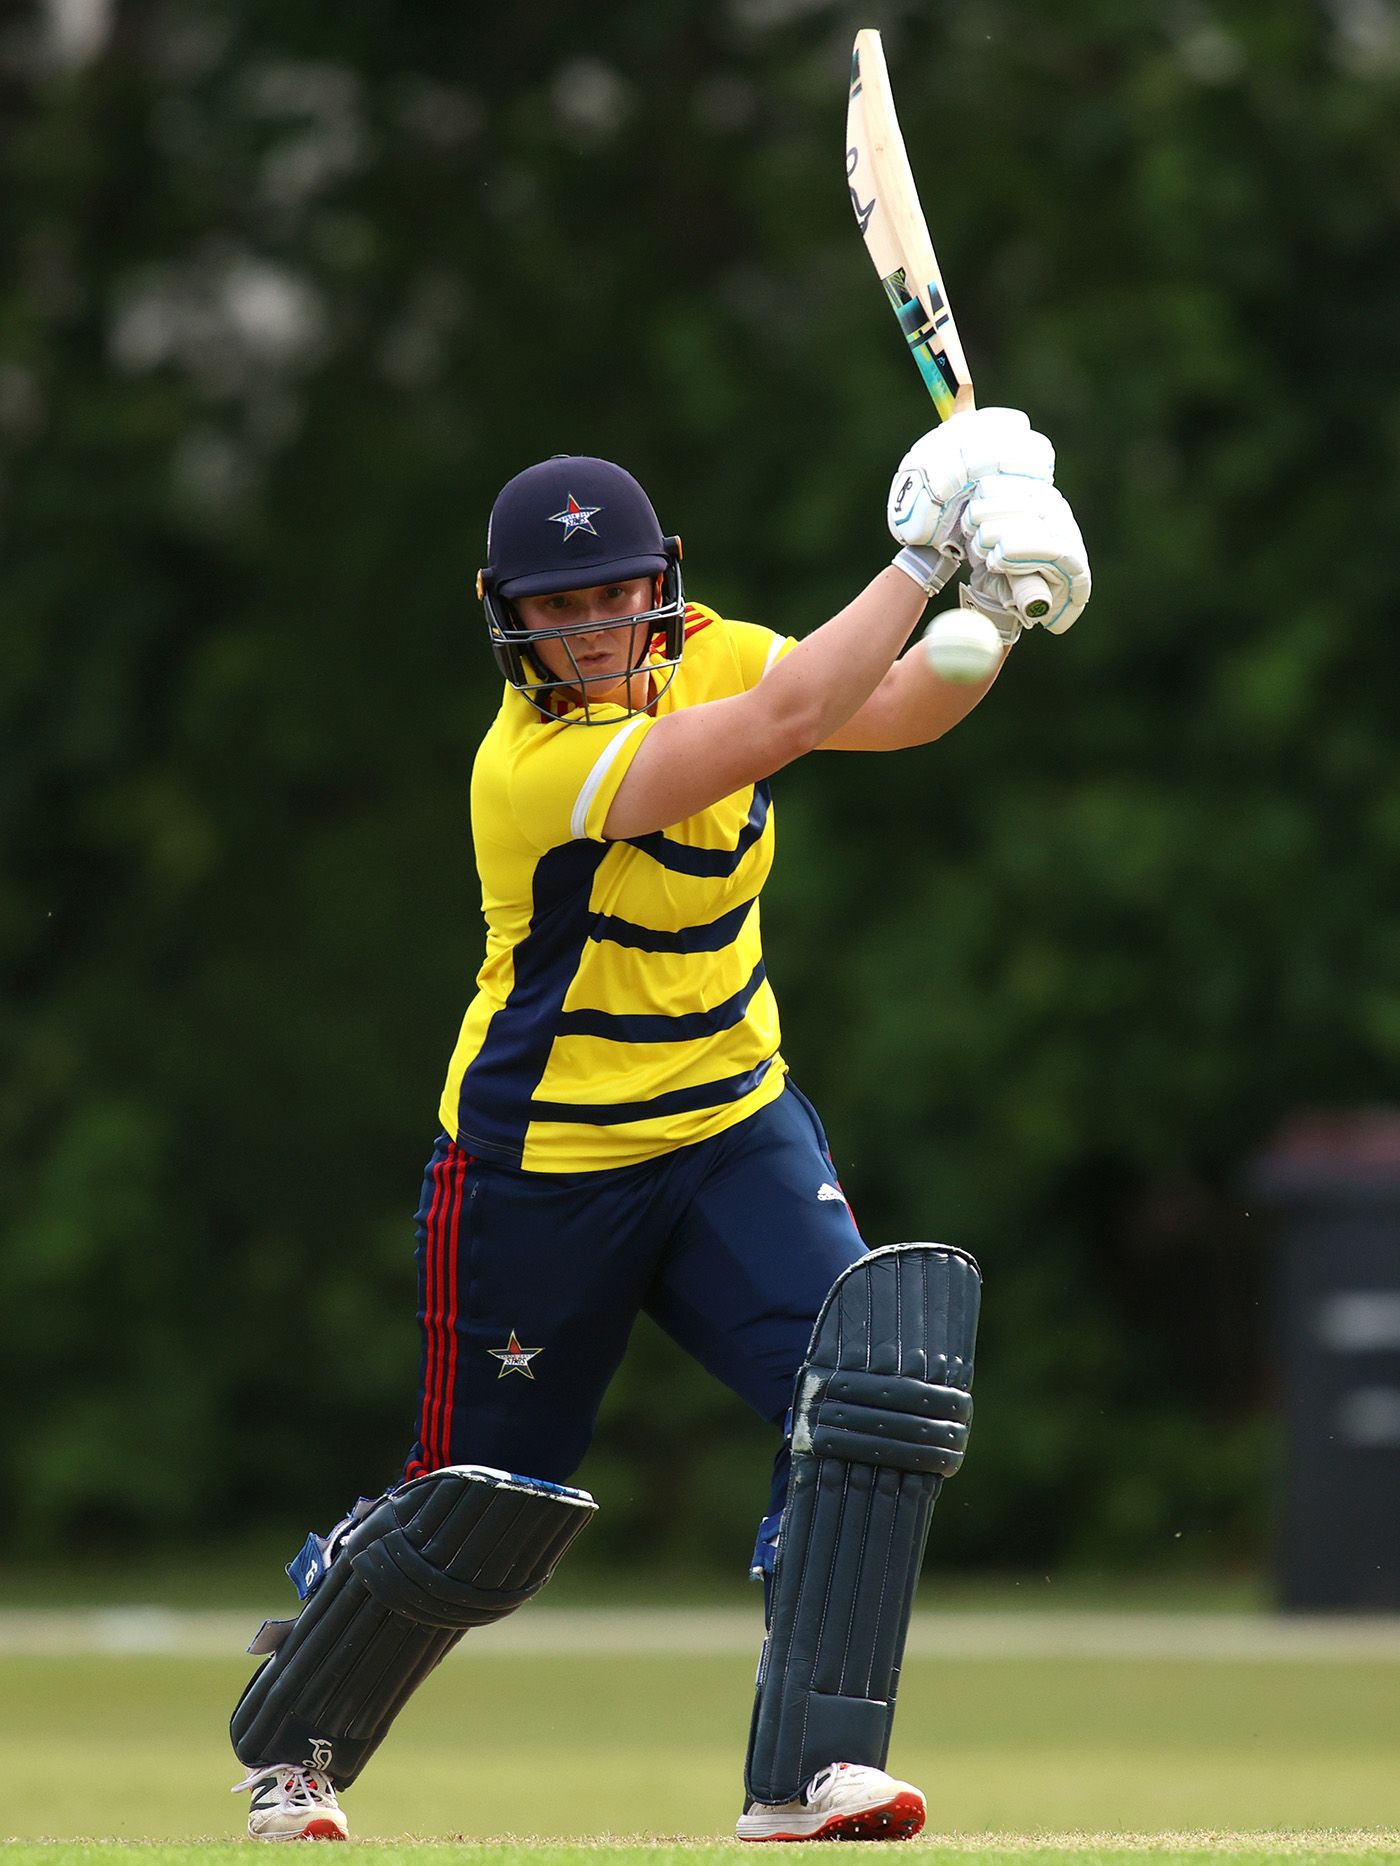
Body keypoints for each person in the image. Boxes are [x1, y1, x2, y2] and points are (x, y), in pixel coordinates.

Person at [228, 409, 1091, 1843]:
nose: (598, 625)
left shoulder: (724, 647)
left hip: (732, 1122)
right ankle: (295, 1735)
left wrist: (1000, 603)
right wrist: (928, 551)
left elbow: (892, 702)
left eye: (620, 591)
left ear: (661, 582)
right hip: (542, 1166)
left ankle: (806, 1767)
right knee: (478, 1516)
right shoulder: (528, 770)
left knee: (871, 1383)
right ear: (513, 625)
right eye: (562, 606)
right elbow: (783, 724)